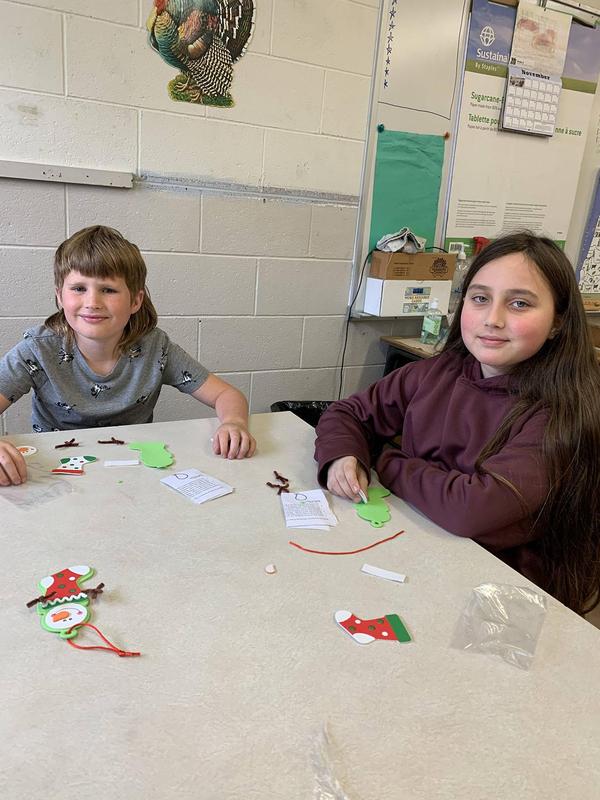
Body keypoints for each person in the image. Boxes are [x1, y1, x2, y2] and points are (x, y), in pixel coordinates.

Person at [315, 231, 600, 614]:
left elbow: (470, 510)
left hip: (502, 594)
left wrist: (386, 460)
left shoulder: (562, 413)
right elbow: (347, 412)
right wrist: (343, 455)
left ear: (557, 323)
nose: (492, 319)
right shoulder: (437, 372)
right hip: (418, 545)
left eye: (519, 304)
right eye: (480, 298)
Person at [0, 225, 256, 486]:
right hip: (55, 473)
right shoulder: (38, 349)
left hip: (131, 471)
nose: (92, 302)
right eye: (78, 288)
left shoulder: (156, 348)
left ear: (135, 300)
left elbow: (227, 395)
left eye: (108, 290)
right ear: (60, 297)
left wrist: (234, 423)